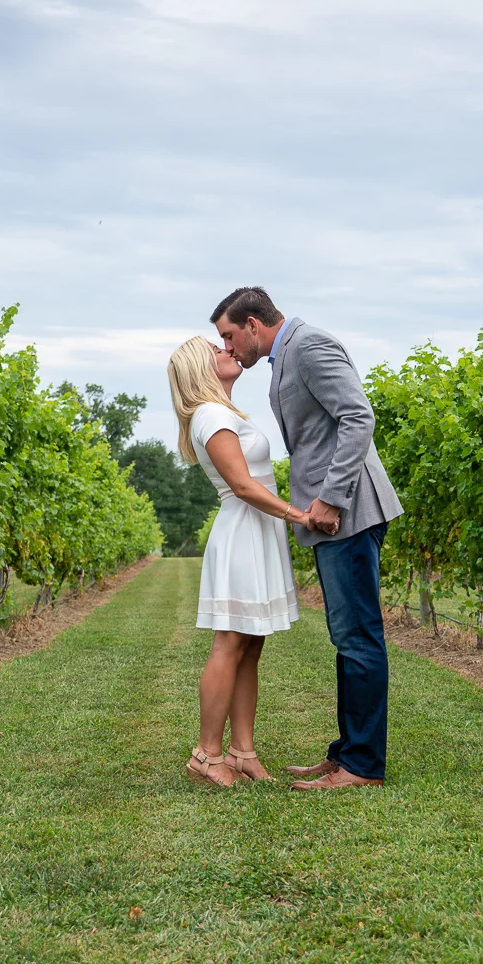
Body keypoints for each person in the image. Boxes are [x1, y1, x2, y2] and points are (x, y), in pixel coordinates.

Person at [212, 287, 401, 791]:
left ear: (253, 324)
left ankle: (362, 765)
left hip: (350, 513)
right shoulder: (286, 355)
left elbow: (359, 417)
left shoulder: (309, 346)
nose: (228, 348)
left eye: (230, 336)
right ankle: (346, 754)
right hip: (332, 519)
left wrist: (332, 498)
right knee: (347, 638)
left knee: (359, 638)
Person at [166, 335, 311, 788]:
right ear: (200, 369)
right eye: (217, 349)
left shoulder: (223, 413)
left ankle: (242, 752)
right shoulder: (209, 415)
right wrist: (300, 515)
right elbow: (245, 486)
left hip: (257, 531)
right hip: (244, 532)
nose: (228, 350)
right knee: (230, 642)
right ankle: (207, 755)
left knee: (251, 645)